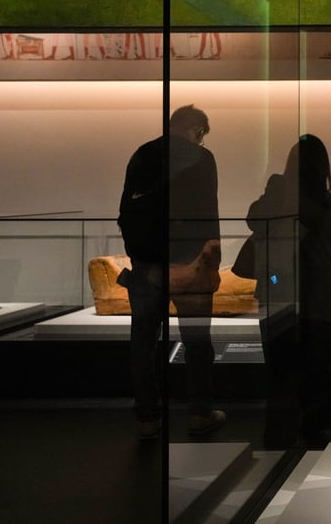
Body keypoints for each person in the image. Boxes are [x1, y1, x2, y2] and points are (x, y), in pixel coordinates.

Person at [118, 104, 225, 440]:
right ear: (198, 130)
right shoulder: (201, 158)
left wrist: (137, 253)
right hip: (190, 261)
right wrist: (212, 258)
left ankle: (147, 418)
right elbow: (209, 211)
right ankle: (199, 413)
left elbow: (126, 209)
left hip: (147, 261)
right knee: (196, 341)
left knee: (143, 342)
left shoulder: (143, 153)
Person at [246, 135, 331, 448]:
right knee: (317, 364)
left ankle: (280, 429)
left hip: (278, 288)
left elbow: (253, 219)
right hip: (313, 293)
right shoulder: (328, 204)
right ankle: (315, 427)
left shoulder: (279, 191)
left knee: (280, 365)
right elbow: (328, 250)